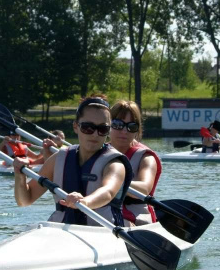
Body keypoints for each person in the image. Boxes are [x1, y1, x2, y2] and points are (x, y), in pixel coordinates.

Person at [13, 96, 132, 227]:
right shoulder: (58, 158)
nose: (95, 134)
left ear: (108, 131)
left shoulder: (115, 163)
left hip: (102, 232)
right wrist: (20, 176)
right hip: (63, 232)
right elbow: (25, 200)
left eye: (102, 129)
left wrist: (84, 202)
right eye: (88, 127)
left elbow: (108, 192)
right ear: (76, 126)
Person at [109, 100, 162, 227]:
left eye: (131, 126)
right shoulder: (97, 152)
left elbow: (144, 188)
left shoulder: (146, 157)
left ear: (137, 129)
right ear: (108, 124)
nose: (124, 131)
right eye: (118, 124)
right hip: (103, 213)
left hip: (135, 219)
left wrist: (111, 183)